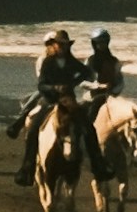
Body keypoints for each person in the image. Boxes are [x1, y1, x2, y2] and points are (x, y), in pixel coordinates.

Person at [16, 28, 89, 184]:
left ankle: (93, 161)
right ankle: (27, 166)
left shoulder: (71, 61)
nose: (62, 47)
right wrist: (54, 88)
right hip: (49, 99)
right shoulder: (46, 61)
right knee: (34, 127)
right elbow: (41, 85)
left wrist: (72, 83)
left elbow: (86, 72)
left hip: (68, 99)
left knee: (86, 126)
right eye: (60, 44)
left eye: (65, 45)